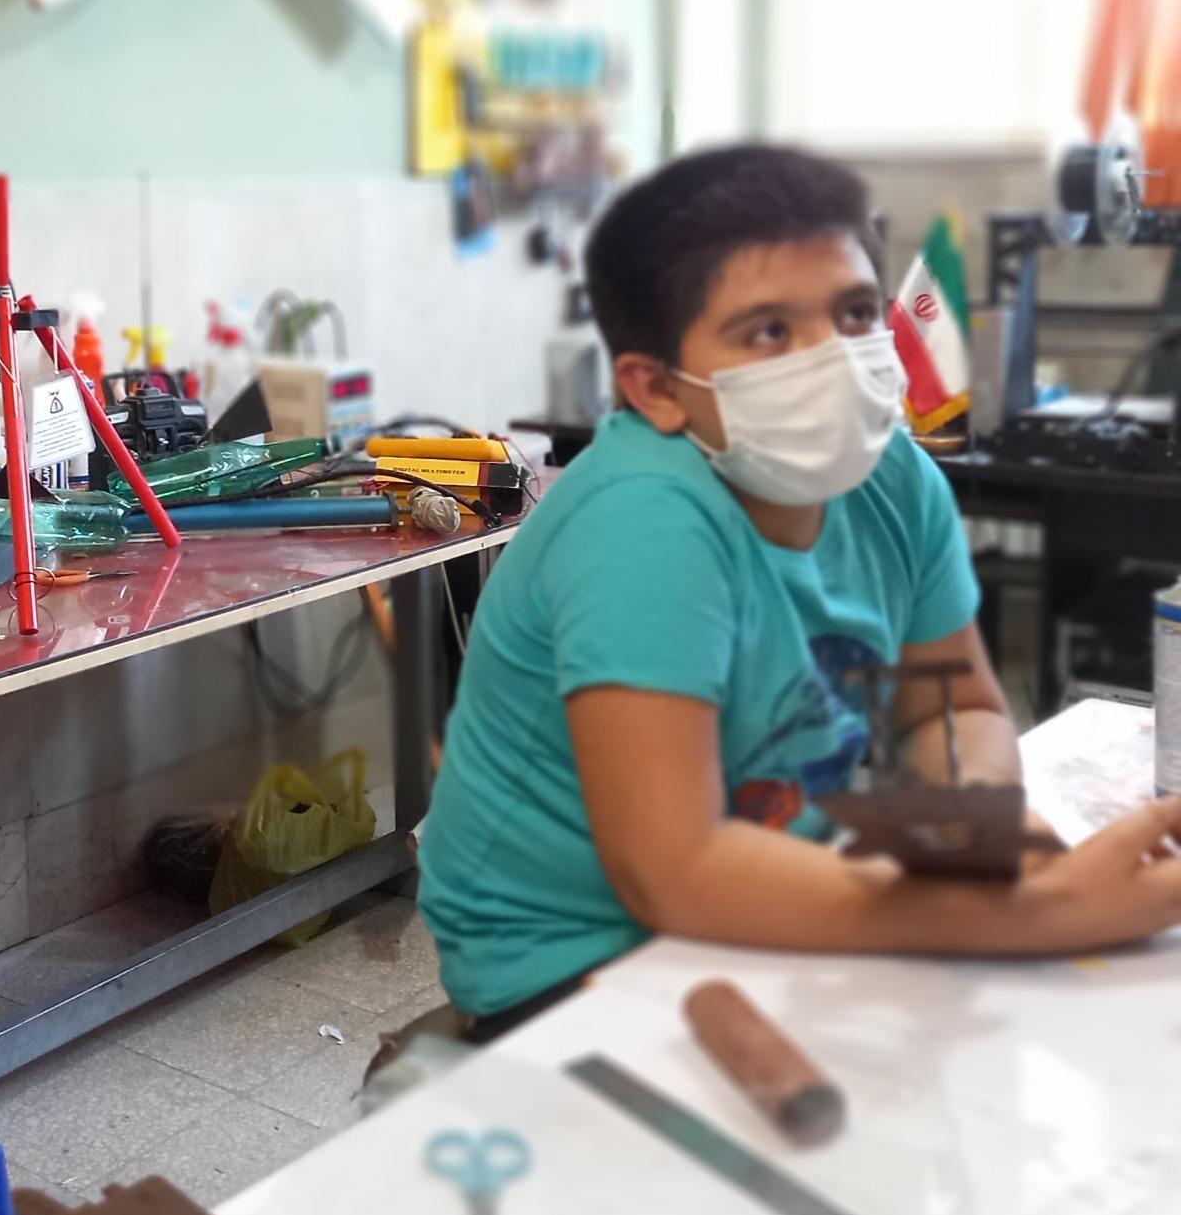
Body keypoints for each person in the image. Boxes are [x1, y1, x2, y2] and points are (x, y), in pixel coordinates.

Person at [418, 143, 1181, 1043]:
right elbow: (674, 872)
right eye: (770, 332)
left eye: (856, 312)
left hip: (763, 875)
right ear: (656, 389)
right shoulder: (644, 521)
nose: (838, 357)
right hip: (568, 951)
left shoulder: (894, 479)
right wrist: (1037, 913)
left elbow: (960, 706)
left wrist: (971, 827)